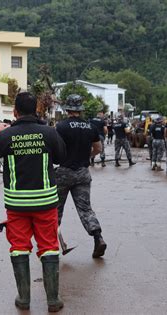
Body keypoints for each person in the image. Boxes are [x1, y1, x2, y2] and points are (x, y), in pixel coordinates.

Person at [0, 92, 66, 312]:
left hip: (17, 204)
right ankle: (53, 300)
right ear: (36, 110)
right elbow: (62, 157)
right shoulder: (49, 133)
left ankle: (24, 299)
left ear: (15, 112)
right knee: (48, 247)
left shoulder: (6, 135)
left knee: (19, 247)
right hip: (46, 202)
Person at [55, 94, 107, 259]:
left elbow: (55, 149)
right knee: (85, 208)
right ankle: (98, 237)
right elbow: (99, 148)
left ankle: (52, 245)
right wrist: (88, 157)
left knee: (55, 209)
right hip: (83, 172)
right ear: (81, 109)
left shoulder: (61, 127)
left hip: (63, 172)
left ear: (68, 109)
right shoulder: (90, 127)